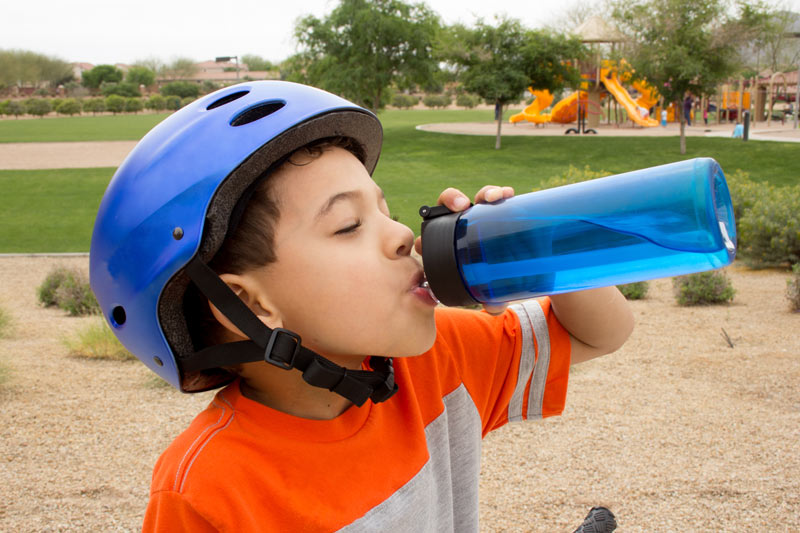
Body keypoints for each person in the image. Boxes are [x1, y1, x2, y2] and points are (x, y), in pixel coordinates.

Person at [90, 81, 634, 531]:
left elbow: (596, 334)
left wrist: (540, 249)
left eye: (384, 208)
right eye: (348, 225)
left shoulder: (436, 362)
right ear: (248, 303)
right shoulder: (210, 492)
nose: (401, 234)